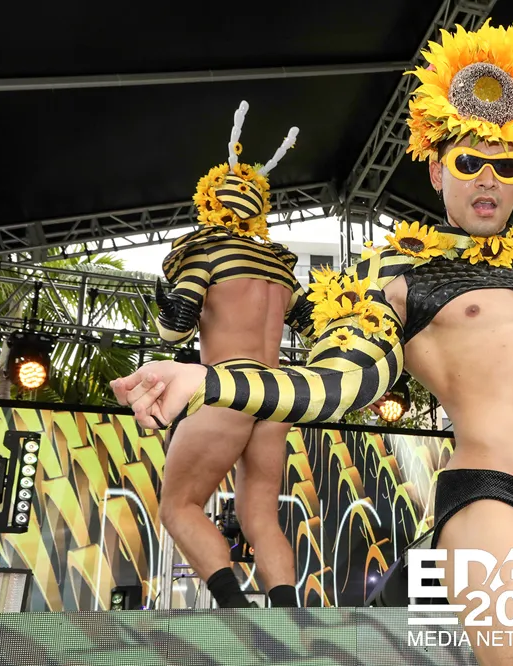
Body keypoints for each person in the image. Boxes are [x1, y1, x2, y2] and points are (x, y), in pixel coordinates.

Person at [113, 22, 513, 665]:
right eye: (468, 162)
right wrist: (206, 381)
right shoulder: (398, 272)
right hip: (494, 499)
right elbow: (340, 381)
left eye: (506, 165)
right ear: (436, 170)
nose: (486, 179)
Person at [151, 101, 315, 609]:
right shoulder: (280, 267)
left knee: (178, 506)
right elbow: (316, 326)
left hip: (227, 385)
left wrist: (165, 308)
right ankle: (288, 617)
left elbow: (175, 330)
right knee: (260, 517)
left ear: (211, 199)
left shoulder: (205, 250)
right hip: (277, 394)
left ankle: (235, 610)